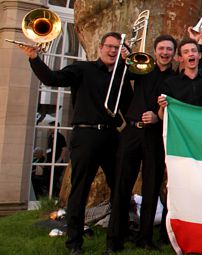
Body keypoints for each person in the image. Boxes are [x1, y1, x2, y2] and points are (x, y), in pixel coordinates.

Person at [21, 31, 128, 254]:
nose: (112, 51)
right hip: (85, 135)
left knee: (119, 188)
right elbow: (52, 79)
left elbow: (128, 105)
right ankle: (74, 243)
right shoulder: (83, 69)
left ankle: (114, 242)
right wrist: (34, 58)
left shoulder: (122, 75)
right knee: (79, 190)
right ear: (100, 48)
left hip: (112, 136)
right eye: (109, 46)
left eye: (117, 48)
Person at [107, 34, 179, 252]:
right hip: (132, 132)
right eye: (161, 49)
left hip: (155, 135)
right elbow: (119, 78)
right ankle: (114, 239)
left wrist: (158, 117)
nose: (165, 53)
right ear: (155, 51)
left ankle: (145, 238)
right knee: (121, 186)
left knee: (151, 188)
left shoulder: (176, 79)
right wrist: (125, 57)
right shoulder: (143, 67)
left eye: (169, 49)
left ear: (174, 54)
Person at [158, 30, 202, 118]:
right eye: (186, 52)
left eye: (193, 51)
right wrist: (162, 107)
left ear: (199, 55)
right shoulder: (171, 83)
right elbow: (162, 116)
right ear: (180, 58)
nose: (191, 54)